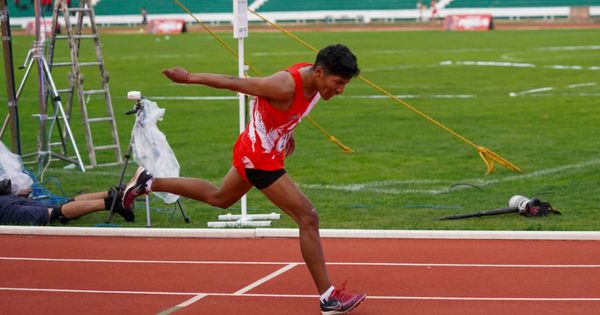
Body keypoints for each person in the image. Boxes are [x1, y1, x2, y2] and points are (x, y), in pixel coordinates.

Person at [123, 44, 366, 314]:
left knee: (220, 197)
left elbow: (277, 108)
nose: (340, 90)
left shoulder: (312, 80)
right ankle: (328, 298)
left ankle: (148, 181)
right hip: (259, 158)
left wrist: (285, 130)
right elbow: (235, 83)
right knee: (308, 217)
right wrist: (189, 77)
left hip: (261, 150)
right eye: (338, 82)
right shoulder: (284, 85)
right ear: (319, 72)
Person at [0, 184, 134, 225]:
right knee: (64, 207)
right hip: (6, 198)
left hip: (4, 206)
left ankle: (113, 204)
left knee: (56, 213)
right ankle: (113, 195)